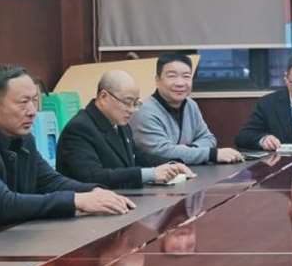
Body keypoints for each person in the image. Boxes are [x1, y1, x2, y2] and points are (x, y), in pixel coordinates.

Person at [0, 65, 135, 231]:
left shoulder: (24, 139)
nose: (33, 111)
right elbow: (1, 204)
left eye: (35, 101)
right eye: (23, 102)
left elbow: (49, 180)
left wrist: (94, 191)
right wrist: (75, 200)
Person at [57, 70, 194, 188]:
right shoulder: (80, 128)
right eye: (127, 102)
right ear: (104, 97)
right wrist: (150, 174)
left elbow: (136, 157)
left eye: (135, 103)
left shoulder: (120, 124)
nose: (132, 110)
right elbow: (93, 177)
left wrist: (171, 165)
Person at [131, 53, 243, 164]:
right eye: (172, 76)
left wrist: (188, 151)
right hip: (157, 173)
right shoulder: (143, 111)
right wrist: (211, 154)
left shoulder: (190, 104)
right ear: (157, 80)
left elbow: (208, 138)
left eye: (186, 76)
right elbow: (162, 152)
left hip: (189, 171)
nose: (180, 83)